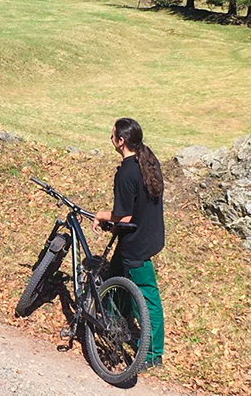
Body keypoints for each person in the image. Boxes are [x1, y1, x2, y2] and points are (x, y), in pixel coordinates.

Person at [92, 117, 165, 370]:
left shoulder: (126, 172)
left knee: (146, 298)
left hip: (136, 244)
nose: (110, 139)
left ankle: (153, 354)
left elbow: (124, 216)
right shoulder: (148, 161)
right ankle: (115, 330)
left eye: (112, 135)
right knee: (114, 280)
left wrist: (101, 216)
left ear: (121, 141)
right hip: (150, 236)